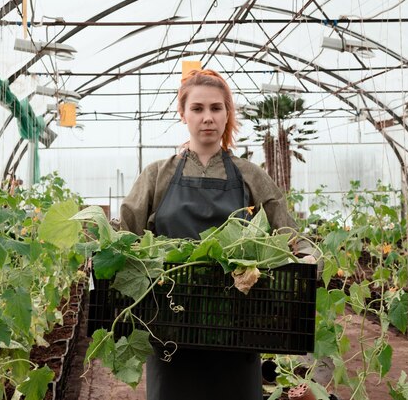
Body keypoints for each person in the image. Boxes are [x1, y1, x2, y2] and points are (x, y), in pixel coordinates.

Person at [119, 69, 316, 400]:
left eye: (216, 108)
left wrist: (308, 257)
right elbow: (125, 232)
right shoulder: (158, 175)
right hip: (170, 325)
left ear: (227, 114)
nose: (207, 118)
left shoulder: (250, 175)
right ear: (183, 114)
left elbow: (289, 234)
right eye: (197, 109)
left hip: (239, 326)